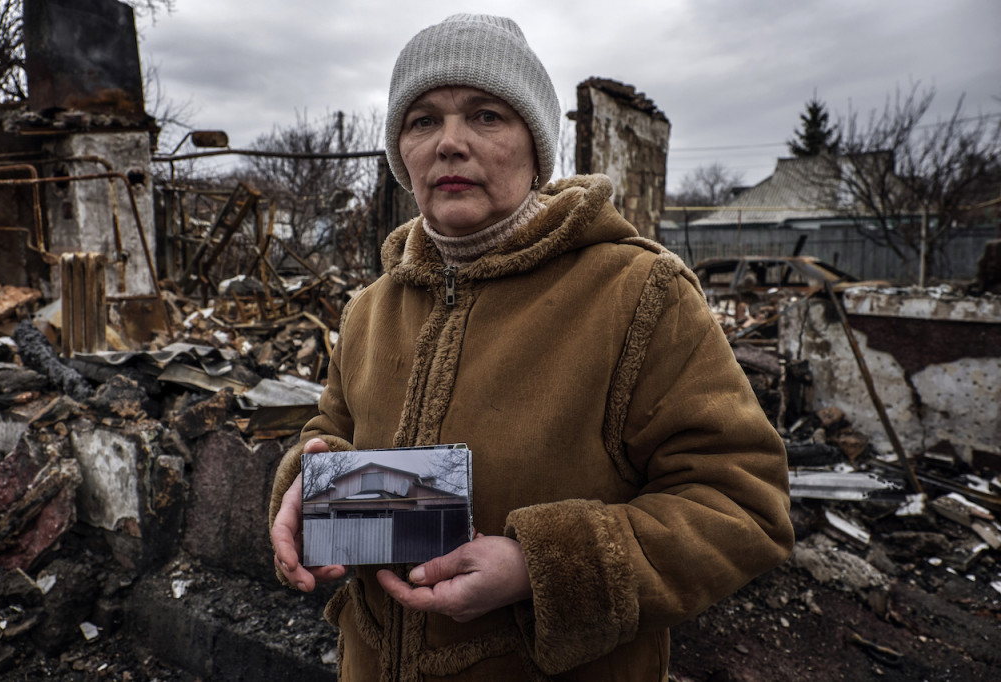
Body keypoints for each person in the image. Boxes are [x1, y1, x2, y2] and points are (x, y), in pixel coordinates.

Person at [270, 13, 793, 681]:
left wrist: (540, 568)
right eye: (422, 119)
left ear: (536, 146)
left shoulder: (636, 295)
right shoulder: (372, 310)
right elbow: (331, 433)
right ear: (401, 149)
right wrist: (306, 490)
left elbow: (743, 503)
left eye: (487, 115)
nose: (450, 143)